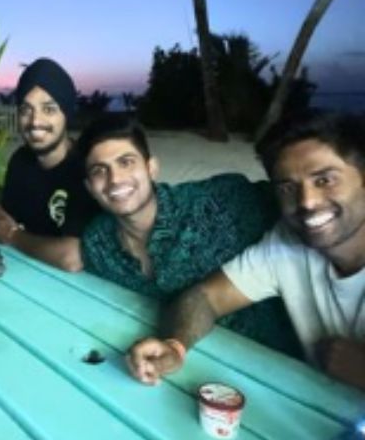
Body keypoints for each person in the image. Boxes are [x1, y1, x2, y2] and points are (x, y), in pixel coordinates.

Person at [126, 110, 365, 391]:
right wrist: (175, 345)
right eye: (288, 187)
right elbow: (205, 298)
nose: (307, 202)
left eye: (325, 180)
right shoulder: (287, 243)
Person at [75, 115, 300, 354]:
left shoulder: (220, 203)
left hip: (276, 359)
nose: (115, 179)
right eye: (100, 170)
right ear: (90, 187)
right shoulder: (98, 243)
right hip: (183, 362)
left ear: (151, 168)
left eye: (126, 162)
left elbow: (299, 203)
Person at [0, 57, 100, 271]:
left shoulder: (86, 168)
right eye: (26, 110)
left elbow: (72, 258)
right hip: (30, 274)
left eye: (48, 109)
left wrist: (14, 236)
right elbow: (6, 219)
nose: (35, 121)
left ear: (66, 115)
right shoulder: (21, 161)